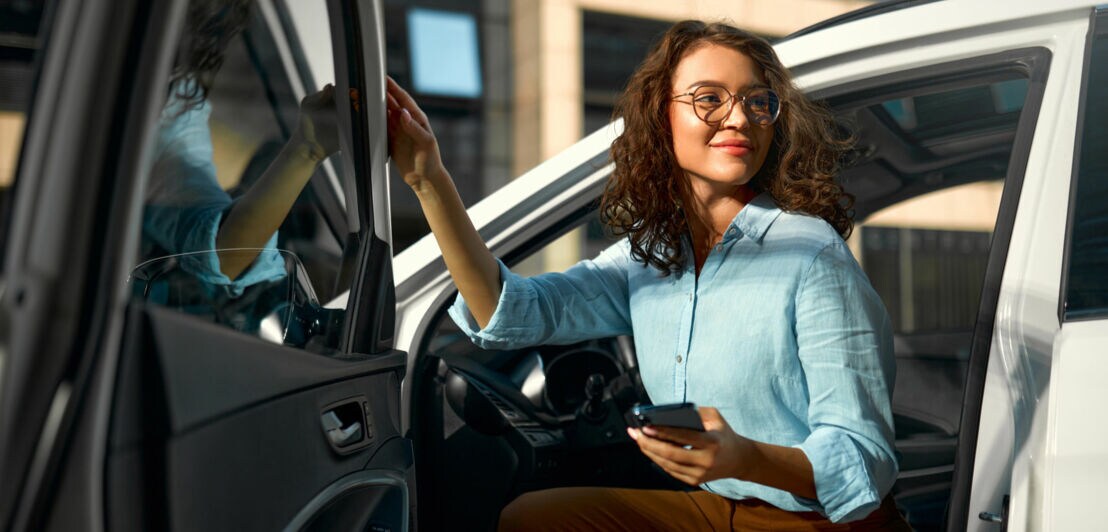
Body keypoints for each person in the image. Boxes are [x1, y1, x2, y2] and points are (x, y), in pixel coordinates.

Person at [387, 19, 910, 531]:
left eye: (757, 102)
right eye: (710, 98)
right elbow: (512, 310)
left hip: (825, 523)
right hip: (720, 508)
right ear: (662, 116)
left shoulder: (811, 253)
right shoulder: (653, 256)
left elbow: (864, 458)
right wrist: (427, 179)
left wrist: (743, 458)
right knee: (530, 518)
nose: (739, 119)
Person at [142, 0, 338, 295]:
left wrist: (309, 149)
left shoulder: (175, 107)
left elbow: (223, 254)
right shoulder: (175, 105)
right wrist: (308, 149)